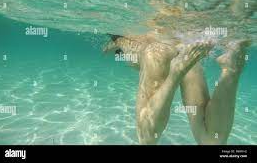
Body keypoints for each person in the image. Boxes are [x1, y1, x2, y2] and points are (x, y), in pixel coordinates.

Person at [103, 33, 250, 144]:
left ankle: (177, 73)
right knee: (212, 141)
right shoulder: (129, 45)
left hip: (157, 51)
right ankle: (231, 69)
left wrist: (175, 75)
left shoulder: (126, 45)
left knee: (146, 138)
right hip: (186, 48)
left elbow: (146, 136)